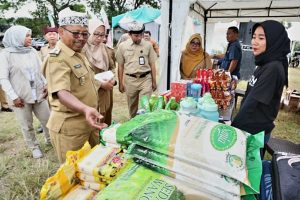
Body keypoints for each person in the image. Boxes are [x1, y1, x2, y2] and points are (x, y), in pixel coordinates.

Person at [42, 8, 107, 163]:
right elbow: (62, 92)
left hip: (89, 122)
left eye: (85, 34)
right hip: (70, 128)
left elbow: (86, 81)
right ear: (61, 31)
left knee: (95, 165)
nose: (81, 38)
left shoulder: (78, 54)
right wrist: (85, 108)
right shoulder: (56, 58)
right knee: (74, 174)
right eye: (76, 33)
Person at [231, 20, 290, 158]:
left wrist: (233, 129)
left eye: (261, 38)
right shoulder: (265, 63)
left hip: (254, 132)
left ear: (274, 40)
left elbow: (253, 104)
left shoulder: (273, 68)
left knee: (248, 174)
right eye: (254, 37)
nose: (255, 42)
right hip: (250, 128)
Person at [0, 25, 51, 159]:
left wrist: (46, 84)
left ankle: (50, 139)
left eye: (30, 35)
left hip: (39, 93)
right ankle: (34, 147)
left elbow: (40, 70)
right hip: (20, 97)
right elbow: (3, 78)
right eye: (27, 36)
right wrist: (14, 96)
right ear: (17, 38)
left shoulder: (32, 51)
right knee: (27, 125)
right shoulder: (6, 55)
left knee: (48, 120)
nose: (30, 38)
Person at [116, 21, 157, 118]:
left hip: (145, 79)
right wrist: (120, 83)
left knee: (145, 106)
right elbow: (120, 66)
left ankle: (144, 126)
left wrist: (154, 81)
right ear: (129, 34)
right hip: (130, 80)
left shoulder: (148, 45)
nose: (138, 38)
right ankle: (133, 124)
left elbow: (152, 64)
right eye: (135, 35)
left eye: (140, 35)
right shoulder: (122, 46)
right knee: (132, 107)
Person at [83, 19, 116, 125]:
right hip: (91, 91)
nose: (99, 38)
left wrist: (113, 79)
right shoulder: (82, 50)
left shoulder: (105, 49)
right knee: (95, 118)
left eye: (102, 35)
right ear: (89, 33)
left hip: (107, 90)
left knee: (106, 114)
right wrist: (100, 84)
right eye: (96, 34)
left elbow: (112, 67)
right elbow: (83, 75)